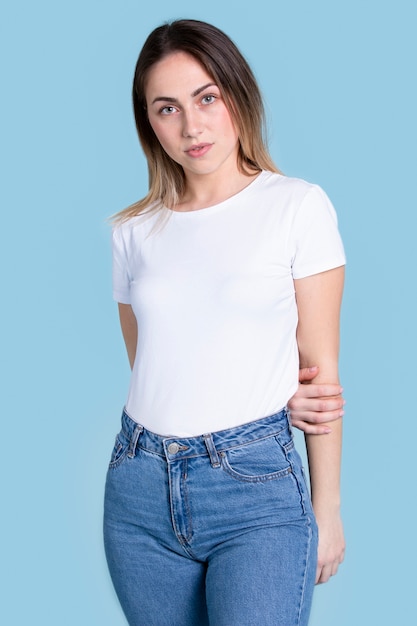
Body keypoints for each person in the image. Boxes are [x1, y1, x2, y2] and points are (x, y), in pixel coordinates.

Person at [104, 19, 346, 626]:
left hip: (255, 487)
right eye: (167, 108)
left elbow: (320, 378)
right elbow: (154, 363)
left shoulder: (297, 207)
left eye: (206, 97)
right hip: (138, 487)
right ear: (149, 123)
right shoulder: (132, 232)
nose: (191, 125)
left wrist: (327, 507)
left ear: (237, 94)